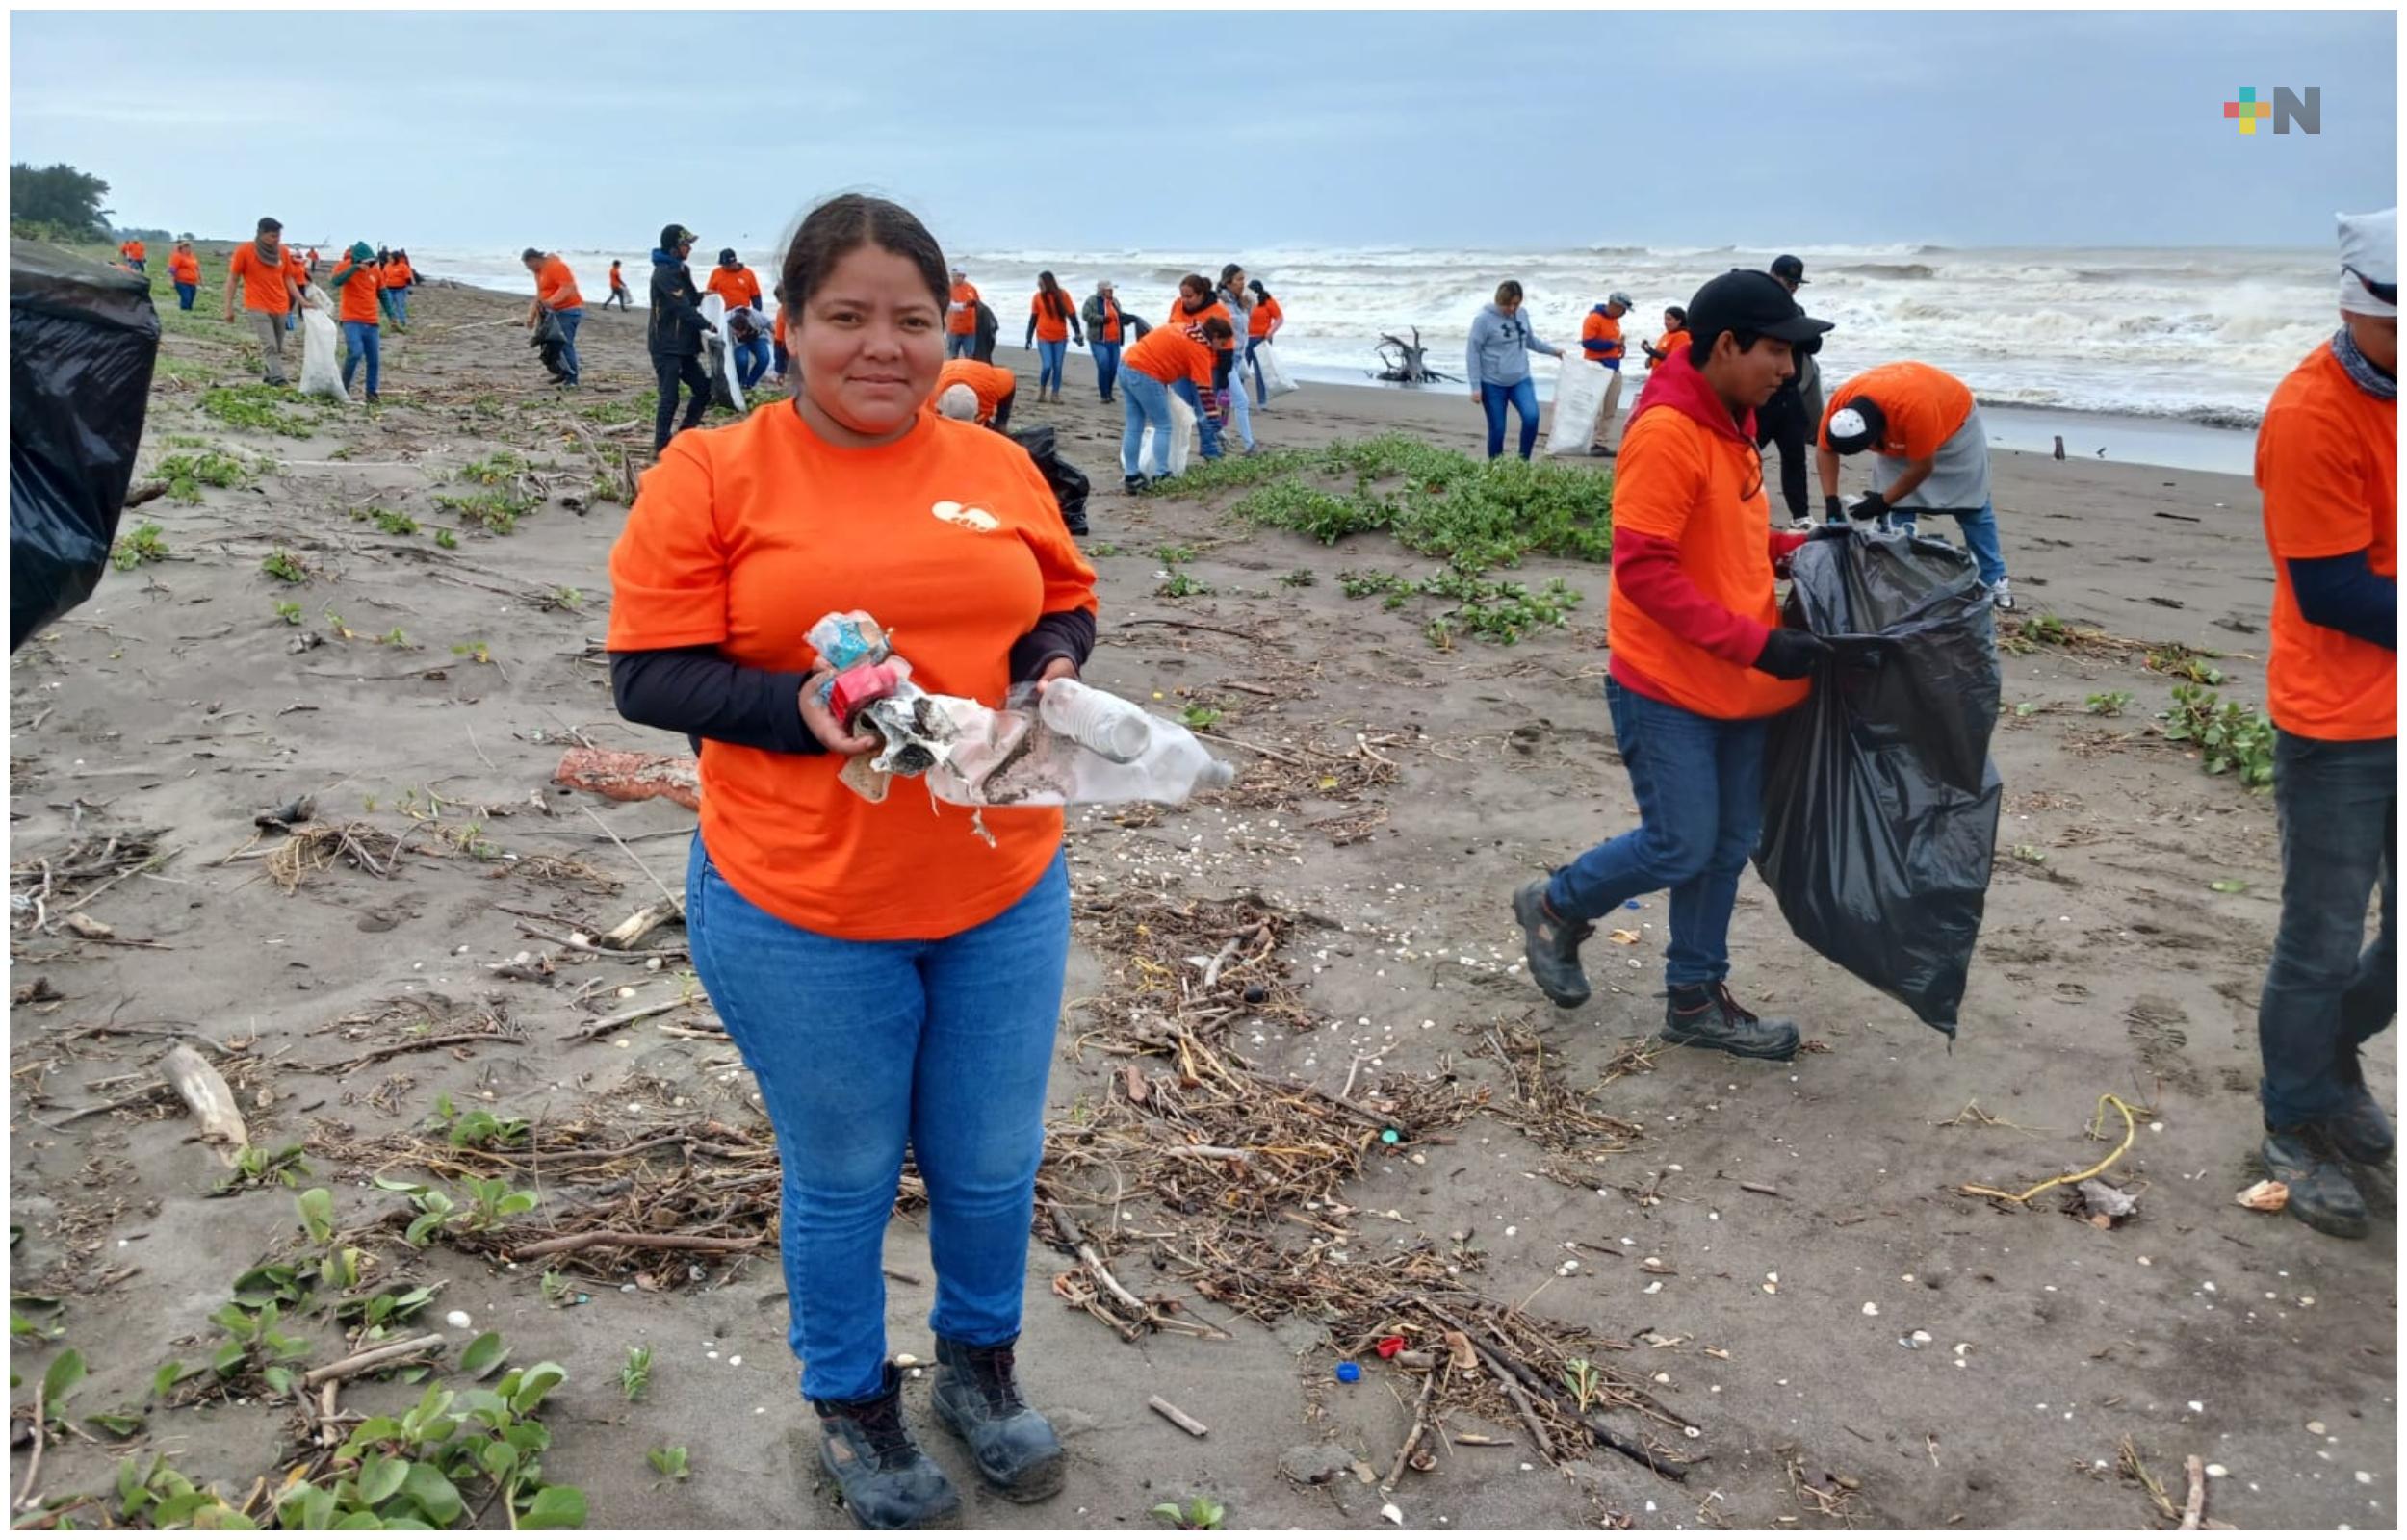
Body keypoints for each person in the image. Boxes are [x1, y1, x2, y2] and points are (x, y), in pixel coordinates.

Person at [606, 192, 1096, 1530]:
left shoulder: (995, 465)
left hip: (1002, 883)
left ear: (950, 330)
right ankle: (854, 1406)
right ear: (788, 326)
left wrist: (1053, 670)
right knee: (846, 1176)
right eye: (848, 317)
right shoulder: (712, 471)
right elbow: (647, 673)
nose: (884, 346)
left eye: (913, 319)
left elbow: (1060, 598)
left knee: (991, 1163)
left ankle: (980, 1372)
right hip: (801, 902)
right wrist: (799, 708)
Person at [1511, 270, 1837, 1058]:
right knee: (1681, 843)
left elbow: (1722, 535)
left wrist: (1793, 549)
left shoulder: (1732, 422)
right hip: (1666, 683)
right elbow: (1645, 571)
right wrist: (1760, 643)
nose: (1788, 369)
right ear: (1726, 346)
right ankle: (1555, 906)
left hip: (1737, 683)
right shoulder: (1668, 433)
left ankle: (1694, 1000)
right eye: (1776, 351)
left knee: (1726, 845)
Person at [2247, 206, 2398, 1241]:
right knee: (2320, 936)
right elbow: (2333, 589)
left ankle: (2327, 1058)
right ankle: (2295, 1120)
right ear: (2357, 308)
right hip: (2339, 723)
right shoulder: (2311, 414)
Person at [1816, 360, 2013, 607]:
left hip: (1954, 424)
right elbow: (1825, 450)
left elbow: (1922, 467)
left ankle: (1994, 580)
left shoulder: (1915, 411)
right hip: (1898, 424)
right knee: (1896, 514)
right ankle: (1899, 578)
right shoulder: (1839, 409)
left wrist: (1883, 500)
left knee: (1973, 506)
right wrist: (1831, 501)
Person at [1120, 313, 1230, 492]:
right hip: (1147, 375)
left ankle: (1131, 475)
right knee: (1163, 425)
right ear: (1215, 336)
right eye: (1222, 343)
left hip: (1126, 364)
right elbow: (1205, 393)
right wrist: (1217, 427)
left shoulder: (1183, 327)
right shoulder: (1200, 348)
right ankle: (1162, 473)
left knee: (1134, 425)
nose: (1220, 349)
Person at [1755, 255, 1825, 525]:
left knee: (1795, 455)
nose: (1793, 287)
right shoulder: (1755, 307)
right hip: (1759, 393)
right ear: (1772, 276)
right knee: (1744, 454)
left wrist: (1797, 325)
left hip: (1790, 393)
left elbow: (1813, 345)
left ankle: (1801, 515)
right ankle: (1734, 504)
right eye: (1788, 281)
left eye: (1796, 283)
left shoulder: (1796, 310)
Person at [1466, 281, 1566, 461]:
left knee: (1531, 418)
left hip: (1520, 379)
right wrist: (1475, 387)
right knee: (1498, 429)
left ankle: (1523, 463)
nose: (1512, 309)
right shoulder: (1483, 320)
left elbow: (1530, 341)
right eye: (1508, 305)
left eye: (1516, 304)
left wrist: (1554, 352)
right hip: (1492, 383)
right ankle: (1496, 467)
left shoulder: (1522, 314)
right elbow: (1473, 352)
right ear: (1499, 300)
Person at [647, 223, 717, 453]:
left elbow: (691, 299)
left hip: (685, 345)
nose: (690, 248)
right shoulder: (663, 273)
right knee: (670, 397)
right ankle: (662, 445)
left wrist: (705, 296)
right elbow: (681, 308)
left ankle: (685, 434)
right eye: (686, 244)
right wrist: (707, 325)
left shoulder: (681, 269)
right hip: (666, 345)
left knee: (703, 389)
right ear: (673, 248)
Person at [223, 217, 303, 387]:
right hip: (257, 304)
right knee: (269, 344)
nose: (277, 239)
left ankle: (269, 376)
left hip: (280, 305)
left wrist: (301, 300)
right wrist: (228, 307)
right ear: (261, 234)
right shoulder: (245, 251)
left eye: (278, 235)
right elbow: (233, 279)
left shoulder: (282, 251)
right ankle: (279, 378)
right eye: (273, 236)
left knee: (278, 345)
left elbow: (288, 278)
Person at [1167, 275, 1233, 459]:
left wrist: (1223, 375)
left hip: (1207, 367)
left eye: (1189, 296)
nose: (1185, 300)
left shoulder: (1218, 311)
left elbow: (1227, 345)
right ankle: (1175, 451)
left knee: (1203, 410)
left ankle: (1210, 449)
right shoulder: (1177, 305)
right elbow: (1170, 331)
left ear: (1201, 294)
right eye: (1183, 296)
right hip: (1180, 368)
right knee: (1179, 410)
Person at [327, 242, 385, 404]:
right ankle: (343, 388)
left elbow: (382, 292)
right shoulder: (344, 266)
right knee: (355, 353)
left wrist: (392, 315)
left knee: (374, 359)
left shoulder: (375, 270)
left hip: (371, 321)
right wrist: (354, 268)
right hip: (351, 319)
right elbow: (335, 282)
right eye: (367, 262)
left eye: (372, 262)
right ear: (358, 260)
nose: (370, 265)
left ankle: (372, 393)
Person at [1579, 290, 1635, 456]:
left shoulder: (1615, 321)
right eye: (1622, 309)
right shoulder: (1594, 318)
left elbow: (1612, 343)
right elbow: (1587, 343)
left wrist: (1619, 346)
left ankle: (1600, 442)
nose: (1623, 313)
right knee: (1593, 407)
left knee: (1610, 407)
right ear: (1613, 305)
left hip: (1613, 367)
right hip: (1596, 367)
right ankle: (1586, 440)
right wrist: (1611, 343)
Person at [523, 247, 585, 388]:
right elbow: (540, 294)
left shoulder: (556, 267)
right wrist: (531, 316)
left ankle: (572, 379)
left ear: (534, 260)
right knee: (550, 345)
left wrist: (551, 301)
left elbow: (567, 287)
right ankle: (563, 372)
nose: (528, 269)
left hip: (568, 311)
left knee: (564, 344)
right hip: (552, 313)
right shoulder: (538, 272)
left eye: (528, 265)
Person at [1213, 266, 1257, 453]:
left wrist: (1247, 299)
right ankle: (1249, 445)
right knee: (1241, 401)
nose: (1242, 283)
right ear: (1227, 281)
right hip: (1225, 357)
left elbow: (1246, 323)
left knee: (1222, 398)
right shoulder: (1220, 303)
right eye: (1239, 279)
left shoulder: (1241, 302)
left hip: (1239, 356)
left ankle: (1218, 432)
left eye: (1243, 279)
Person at [1022, 272, 1083, 403]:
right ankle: (1042, 390)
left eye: (1041, 283)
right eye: (1038, 283)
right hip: (1043, 337)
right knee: (1047, 365)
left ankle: (1055, 394)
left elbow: (1072, 315)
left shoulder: (1063, 295)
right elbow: (1033, 319)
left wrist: (1078, 333)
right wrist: (1028, 337)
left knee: (1058, 366)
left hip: (1060, 337)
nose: (1039, 285)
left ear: (1048, 283)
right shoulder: (1037, 297)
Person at [1081, 280, 1142, 404]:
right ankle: (1104, 395)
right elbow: (1086, 315)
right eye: (1109, 289)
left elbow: (1118, 317)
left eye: (1112, 289)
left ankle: (1109, 392)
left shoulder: (1115, 302)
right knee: (1104, 364)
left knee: (1113, 368)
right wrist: (1102, 319)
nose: (1112, 291)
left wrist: (1129, 319)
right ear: (1102, 290)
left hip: (1114, 341)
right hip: (1098, 340)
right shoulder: (1092, 301)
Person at [935, 355, 1020, 431]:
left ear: (977, 416)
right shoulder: (932, 393)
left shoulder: (991, 391)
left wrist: (1001, 422)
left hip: (983, 376)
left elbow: (1008, 375)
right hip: (948, 370)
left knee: (999, 428)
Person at [1245, 279, 1283, 408]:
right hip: (1246, 339)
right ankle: (1237, 399)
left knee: (1260, 371)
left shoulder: (1268, 301)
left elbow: (1279, 318)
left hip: (1262, 339)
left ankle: (1262, 401)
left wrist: (1270, 331)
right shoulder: (1245, 301)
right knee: (1241, 370)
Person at [726, 302, 774, 393]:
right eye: (737, 333)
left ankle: (750, 383)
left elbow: (769, 325)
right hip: (739, 343)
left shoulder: (756, 316)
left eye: (741, 332)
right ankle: (741, 383)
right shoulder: (726, 320)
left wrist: (779, 338)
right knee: (742, 360)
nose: (740, 335)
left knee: (764, 358)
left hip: (757, 337)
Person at [708, 247, 765, 315]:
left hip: (743, 313)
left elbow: (755, 296)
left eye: (728, 264)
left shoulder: (748, 273)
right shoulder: (716, 273)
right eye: (723, 264)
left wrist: (757, 313)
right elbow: (710, 294)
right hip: (723, 313)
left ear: (734, 261)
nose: (725, 267)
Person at [946, 268, 981, 360]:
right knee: (953, 356)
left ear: (963, 276)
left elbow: (979, 305)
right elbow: (950, 306)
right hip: (953, 329)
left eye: (958, 276)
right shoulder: (947, 289)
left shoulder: (971, 288)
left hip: (969, 329)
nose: (955, 278)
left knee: (970, 357)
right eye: (953, 276)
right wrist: (966, 305)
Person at [1641, 305, 1690, 372]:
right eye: (1665, 319)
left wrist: (1651, 351)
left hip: (1670, 375)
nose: (1665, 322)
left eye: (1669, 319)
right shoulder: (1666, 335)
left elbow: (1675, 360)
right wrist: (1650, 359)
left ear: (1679, 321)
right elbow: (1659, 353)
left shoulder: (1682, 335)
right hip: (1658, 374)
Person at [381, 249, 415, 331]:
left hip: (400, 290)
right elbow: (383, 277)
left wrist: (408, 288)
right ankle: (392, 322)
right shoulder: (387, 266)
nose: (389, 260)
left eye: (391, 258)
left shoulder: (403, 266)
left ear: (395, 258)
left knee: (400, 307)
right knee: (389, 306)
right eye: (388, 259)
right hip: (389, 289)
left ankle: (402, 322)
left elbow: (408, 278)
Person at [282, 241, 310, 333]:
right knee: (291, 302)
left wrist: (309, 279)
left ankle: (302, 315)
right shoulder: (289, 265)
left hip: (301, 284)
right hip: (292, 285)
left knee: (302, 299)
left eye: (300, 257)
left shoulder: (301, 264)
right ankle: (286, 320)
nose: (299, 258)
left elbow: (304, 272)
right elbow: (288, 276)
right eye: (297, 257)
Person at [168, 241, 201, 311]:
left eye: (190, 247)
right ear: (182, 248)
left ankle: (188, 313)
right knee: (186, 298)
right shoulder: (177, 256)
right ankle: (184, 312)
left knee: (191, 300)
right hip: (181, 282)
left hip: (192, 282)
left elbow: (197, 268)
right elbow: (172, 269)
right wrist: (171, 281)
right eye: (186, 247)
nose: (189, 249)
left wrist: (200, 279)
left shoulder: (192, 256)